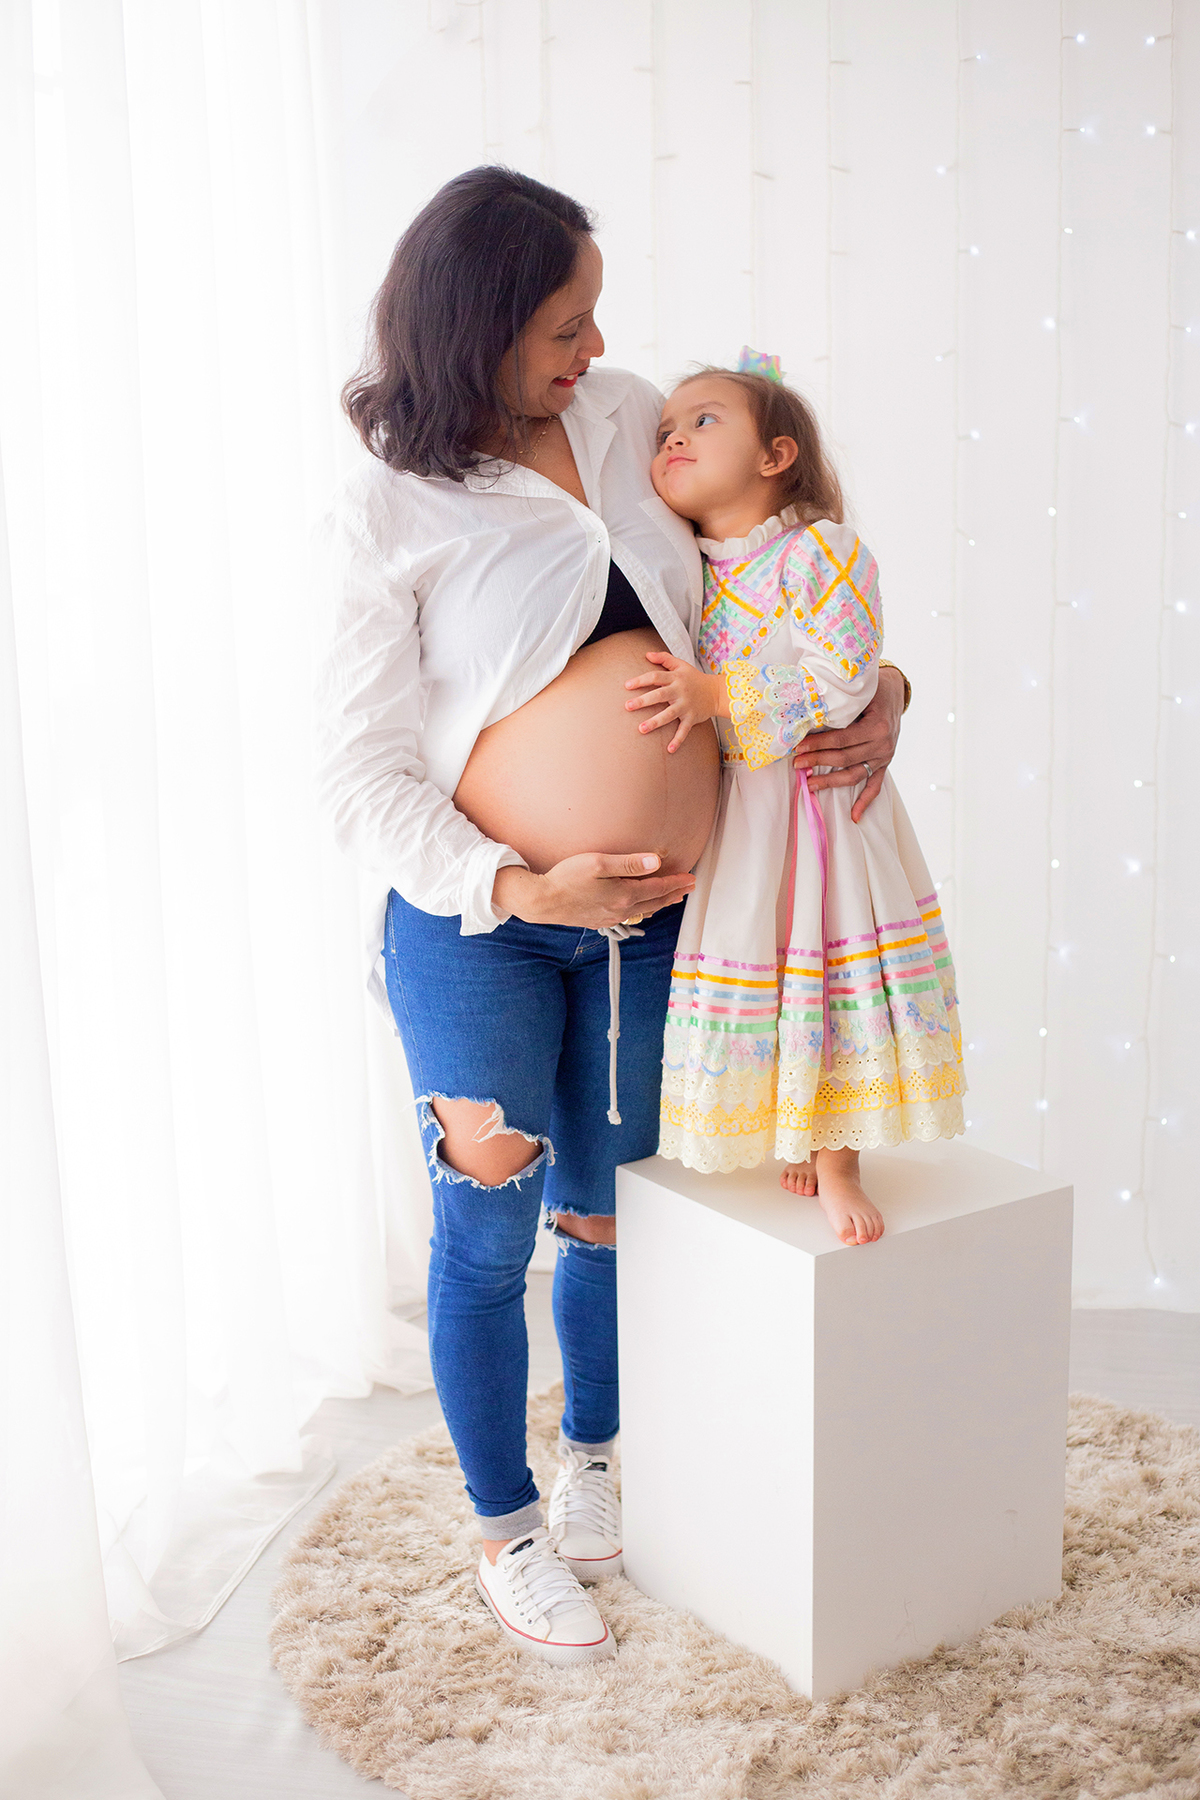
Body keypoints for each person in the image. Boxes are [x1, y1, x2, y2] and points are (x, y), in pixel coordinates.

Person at [316, 169, 909, 1666]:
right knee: (488, 1205)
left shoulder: (629, 417)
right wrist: (522, 883)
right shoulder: (385, 500)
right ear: (480, 322)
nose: (596, 349)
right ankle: (505, 1529)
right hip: (481, 919)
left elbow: (773, 576)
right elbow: (357, 767)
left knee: (603, 1210)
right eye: (565, 324)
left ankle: (594, 1457)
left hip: (669, 924)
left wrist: (884, 690)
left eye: (595, 320)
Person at [621, 361, 965, 1249]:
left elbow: (844, 679)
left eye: (703, 422)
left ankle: (843, 1156)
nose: (676, 439)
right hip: (742, 821)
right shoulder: (690, 571)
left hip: (817, 812)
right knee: (771, 974)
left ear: (777, 455)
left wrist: (718, 696)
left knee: (831, 966)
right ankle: (794, 1123)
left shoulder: (822, 552)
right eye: (665, 433)